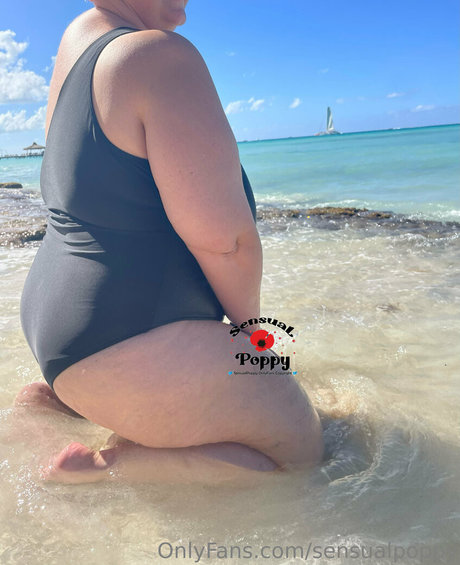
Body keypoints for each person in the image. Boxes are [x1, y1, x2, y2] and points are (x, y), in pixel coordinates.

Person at [17, 0, 324, 484]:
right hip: (125, 343)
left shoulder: (81, 36)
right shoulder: (159, 57)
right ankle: (102, 470)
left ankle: (57, 402)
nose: (186, 8)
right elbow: (225, 242)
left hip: (56, 322)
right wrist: (251, 336)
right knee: (303, 456)